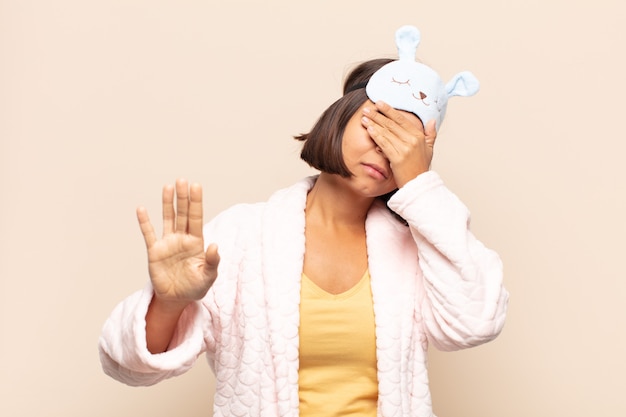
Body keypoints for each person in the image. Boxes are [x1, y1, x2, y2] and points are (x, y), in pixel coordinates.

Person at [99, 26, 508, 417]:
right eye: (377, 124)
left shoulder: (418, 249)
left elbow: (473, 324)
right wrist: (169, 303)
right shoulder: (244, 237)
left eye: (406, 145)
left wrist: (420, 185)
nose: (386, 150)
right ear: (340, 114)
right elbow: (128, 367)